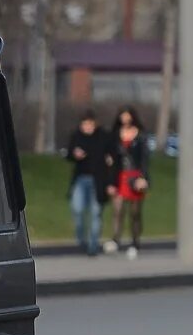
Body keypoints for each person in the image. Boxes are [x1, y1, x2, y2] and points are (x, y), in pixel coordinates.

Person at [63, 109, 116, 256]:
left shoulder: (104, 137)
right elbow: (68, 155)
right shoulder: (76, 137)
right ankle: (81, 239)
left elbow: (113, 160)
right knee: (77, 209)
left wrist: (111, 183)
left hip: (98, 180)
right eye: (85, 124)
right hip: (81, 179)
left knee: (95, 213)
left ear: (95, 124)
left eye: (90, 124)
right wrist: (75, 155)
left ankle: (93, 245)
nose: (87, 127)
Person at [106, 106, 150, 259]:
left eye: (128, 118)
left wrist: (143, 178)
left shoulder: (140, 136)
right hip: (120, 175)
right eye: (123, 118)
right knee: (118, 210)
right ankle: (115, 238)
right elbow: (112, 155)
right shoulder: (116, 135)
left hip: (135, 175)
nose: (126, 121)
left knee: (135, 212)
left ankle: (135, 242)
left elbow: (144, 158)